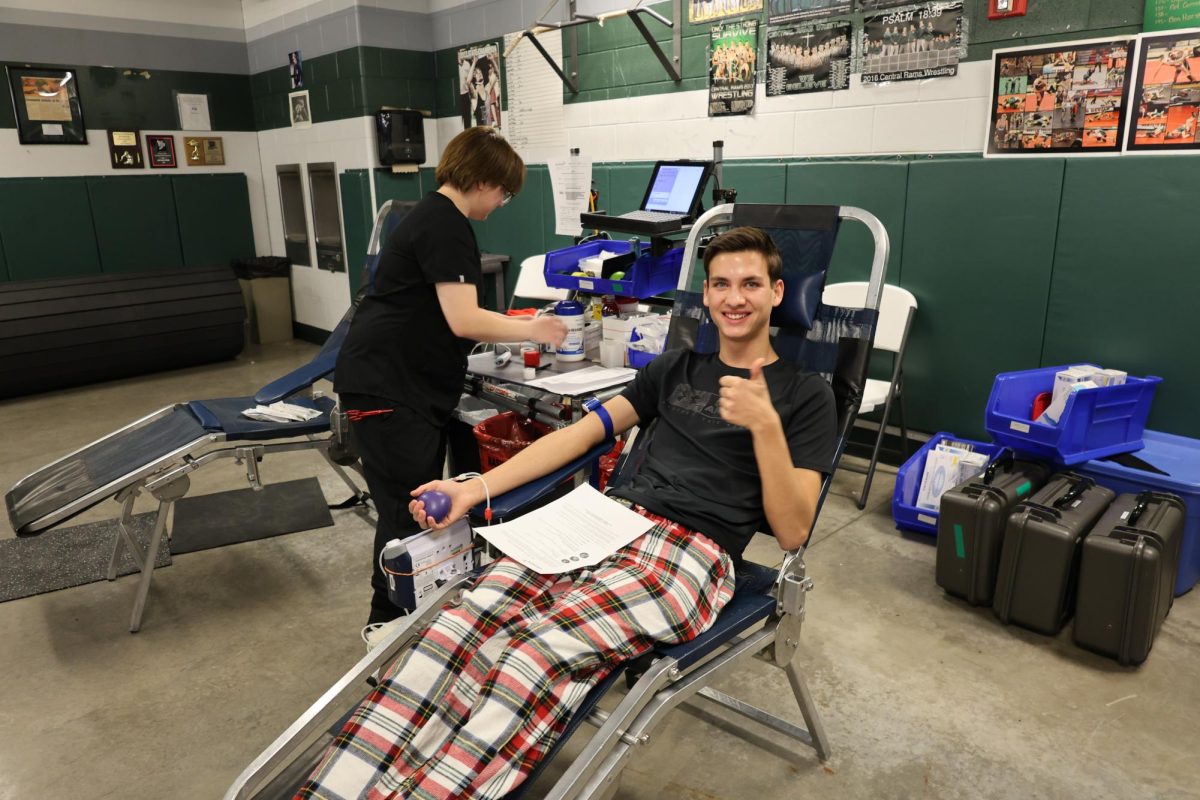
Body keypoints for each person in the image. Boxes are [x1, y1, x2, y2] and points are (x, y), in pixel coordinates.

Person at [299, 226, 838, 799]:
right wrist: (473, 488)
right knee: (457, 625)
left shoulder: (805, 395)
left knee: (535, 655)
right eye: (722, 284)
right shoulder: (673, 370)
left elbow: (792, 530)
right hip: (606, 523)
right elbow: (579, 436)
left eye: (751, 283)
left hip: (691, 552)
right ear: (704, 295)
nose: (736, 297)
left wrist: (765, 426)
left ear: (778, 293)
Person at [334, 126, 567, 625]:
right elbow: (464, 319)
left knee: (415, 510)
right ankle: (388, 625)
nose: (502, 202)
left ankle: (408, 619)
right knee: (410, 516)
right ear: (483, 180)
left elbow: (443, 314)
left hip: (393, 382)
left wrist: (513, 325)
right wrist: (535, 330)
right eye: (504, 192)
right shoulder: (447, 225)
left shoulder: (430, 216)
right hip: (390, 388)